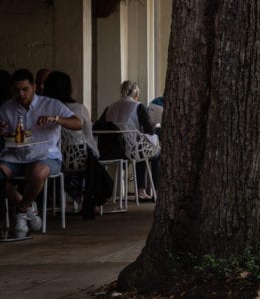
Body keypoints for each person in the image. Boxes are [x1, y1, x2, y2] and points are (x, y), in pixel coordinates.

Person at [0, 68, 82, 238]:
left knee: (37, 173)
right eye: (17, 90)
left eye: (25, 89)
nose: (21, 94)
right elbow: (6, 132)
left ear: (34, 87)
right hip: (15, 156)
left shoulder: (51, 104)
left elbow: (78, 123)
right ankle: (28, 207)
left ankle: (21, 212)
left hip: (45, 155)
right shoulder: (7, 107)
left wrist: (55, 119)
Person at [41, 71, 111, 218]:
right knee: (90, 158)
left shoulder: (46, 110)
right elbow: (88, 134)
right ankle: (88, 199)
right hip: (83, 160)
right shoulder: (79, 109)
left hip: (56, 160)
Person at [97, 80, 160, 200]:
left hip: (112, 151)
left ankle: (140, 190)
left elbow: (98, 126)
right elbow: (150, 130)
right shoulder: (138, 106)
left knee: (139, 147)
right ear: (136, 94)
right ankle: (155, 190)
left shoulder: (110, 107)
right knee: (154, 152)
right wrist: (155, 124)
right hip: (130, 149)